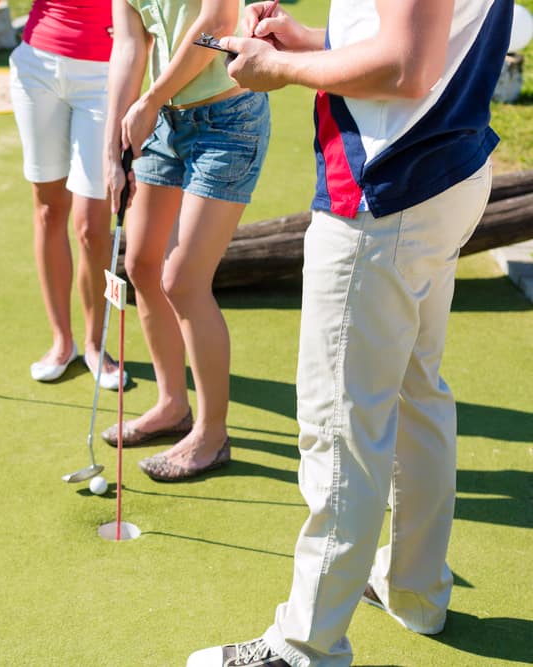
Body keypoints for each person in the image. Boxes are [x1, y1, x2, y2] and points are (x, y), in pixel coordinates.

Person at [186, 0, 513, 665]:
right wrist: (308, 42)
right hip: (440, 170)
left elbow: (405, 67)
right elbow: (410, 37)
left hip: (386, 188)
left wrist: (280, 65)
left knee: (342, 424)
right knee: (415, 393)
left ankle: (307, 644)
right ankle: (415, 588)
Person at [0, 0, 128, 390]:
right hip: (37, 71)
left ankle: (97, 346)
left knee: (91, 226)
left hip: (104, 75)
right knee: (49, 210)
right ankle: (62, 341)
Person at [104, 0, 270, 482]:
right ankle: (171, 404)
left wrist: (150, 100)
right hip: (163, 125)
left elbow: (217, 24)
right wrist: (111, 150)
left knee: (182, 281)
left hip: (227, 121)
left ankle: (211, 434)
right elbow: (131, 45)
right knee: (142, 265)